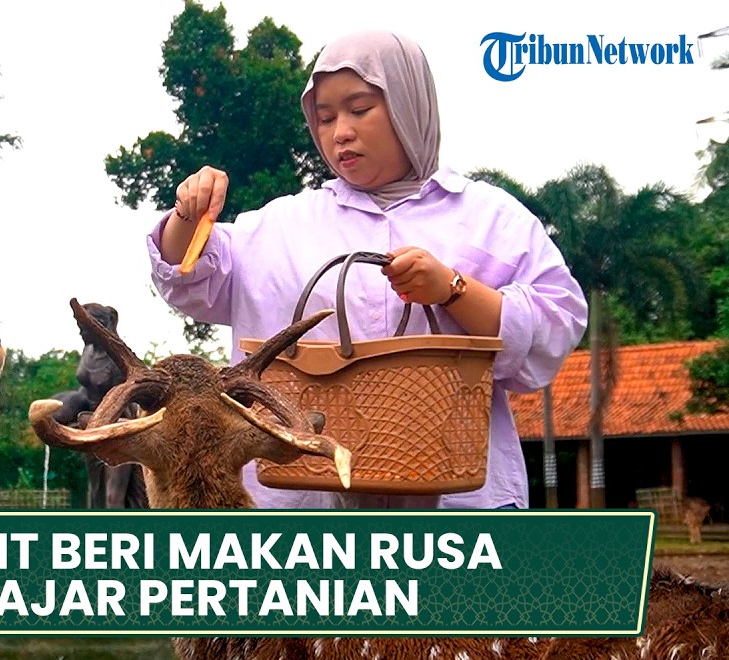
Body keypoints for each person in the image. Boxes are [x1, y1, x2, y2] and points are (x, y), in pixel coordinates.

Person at [146, 30, 588, 510]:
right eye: (325, 117)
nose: (340, 132)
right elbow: (188, 280)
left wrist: (453, 290)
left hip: (456, 507)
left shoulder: (490, 219)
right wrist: (188, 215)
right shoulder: (281, 225)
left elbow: (555, 326)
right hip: (302, 507)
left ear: (408, 103)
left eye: (359, 109)